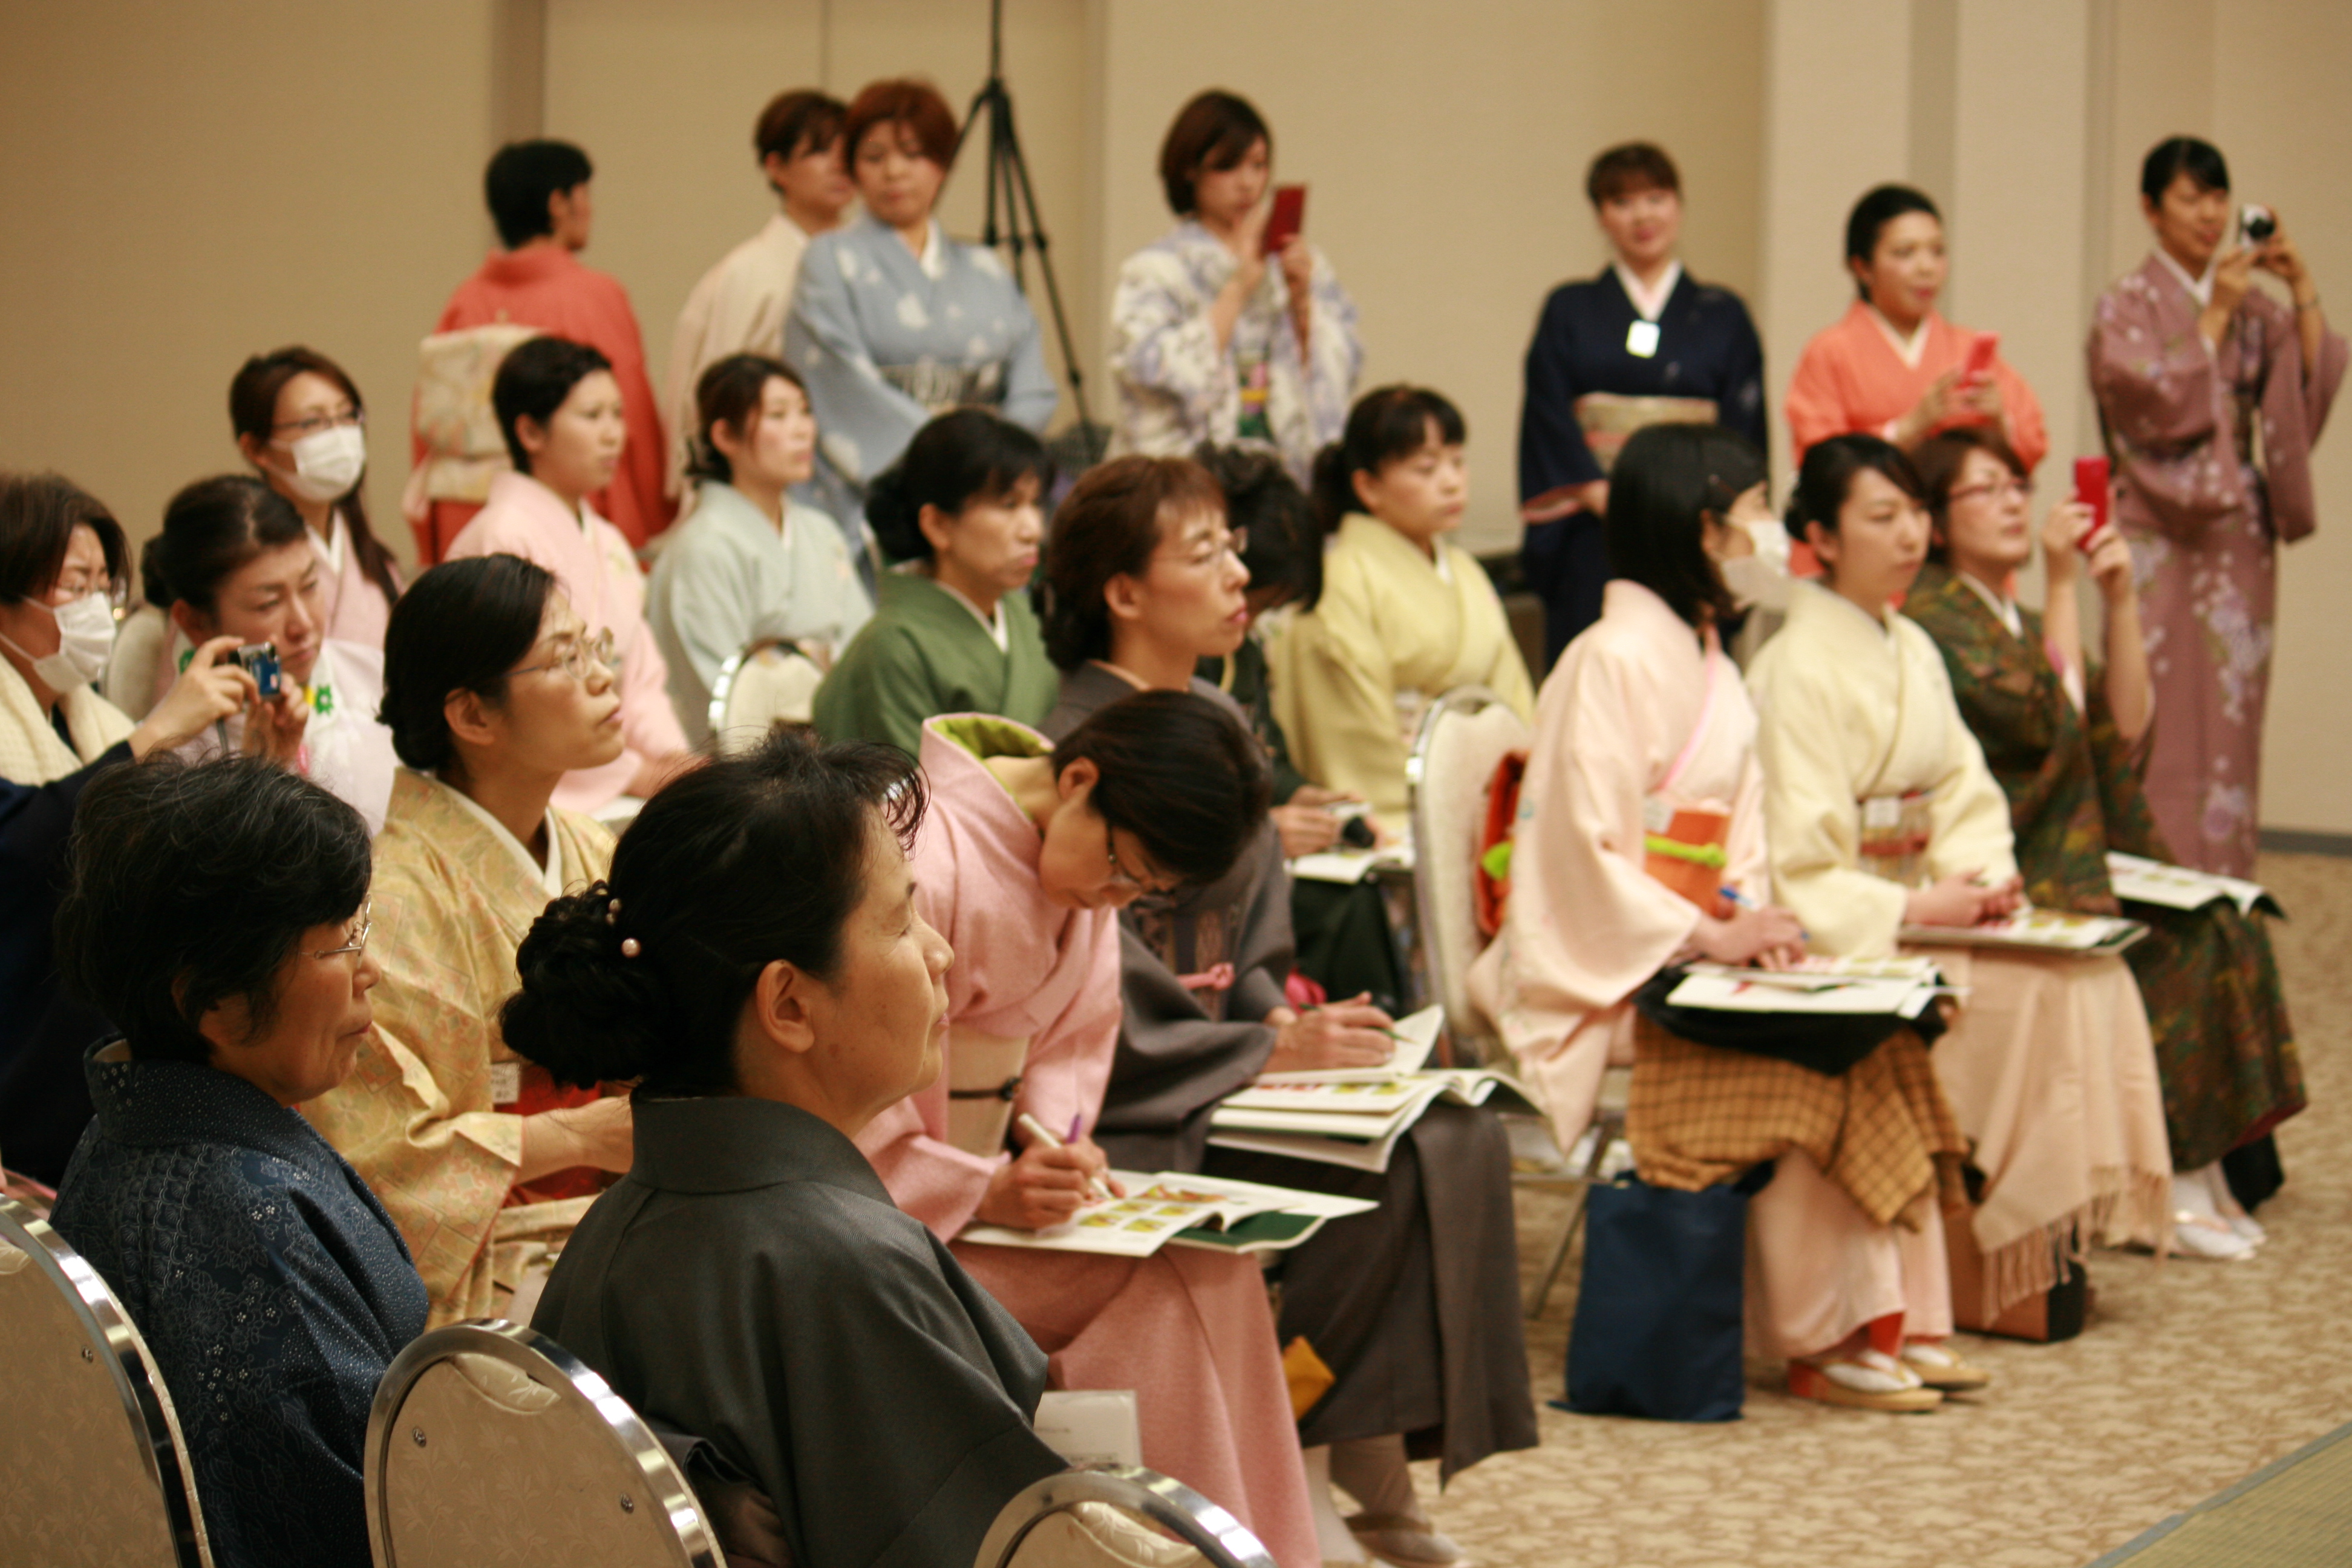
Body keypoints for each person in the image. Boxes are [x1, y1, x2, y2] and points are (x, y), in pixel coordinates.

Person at [1041, 456, 1535, 1566]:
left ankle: (1358, 1447)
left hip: (1218, 1049)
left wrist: (1287, 1029)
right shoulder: (1073, 741)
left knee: (1452, 1133)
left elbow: (1255, 944)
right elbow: (1087, 963)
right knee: (1382, 1175)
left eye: (1233, 544)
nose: (1239, 569)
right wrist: (1257, 1051)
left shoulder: (1219, 713)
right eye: (1204, 550)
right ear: (1122, 592)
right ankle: (1304, 1450)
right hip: (1135, 1088)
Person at [1472, 423, 1980, 1410]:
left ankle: (1898, 1318)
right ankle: (1821, 1335)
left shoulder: (1705, 657)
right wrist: (1704, 933)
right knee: (1808, 1063)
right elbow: (1577, 855)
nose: (1765, 532)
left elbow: (1738, 842)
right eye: (1752, 510)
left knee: (1877, 1033)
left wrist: (1750, 917)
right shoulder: (1607, 657)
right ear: (1702, 529)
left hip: (1684, 948)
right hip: (1605, 972)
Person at [514, 728, 1069, 1568]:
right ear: (790, 1005)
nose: (940, 951)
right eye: (900, 920)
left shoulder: (607, 1233)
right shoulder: (849, 1265)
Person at [857, 691, 1316, 1567]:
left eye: (1140, 890)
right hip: (896, 1212)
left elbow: (1073, 1046)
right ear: (1077, 779)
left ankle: (1272, 1553)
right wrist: (981, 1183)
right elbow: (855, 1088)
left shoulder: (1081, 876)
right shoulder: (917, 851)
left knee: (1222, 1270)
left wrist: (1060, 1144)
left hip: (985, 1190)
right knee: (1161, 1299)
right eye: (1120, 868)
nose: (1115, 897)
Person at [1746, 434, 2172, 1326]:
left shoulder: (1910, 647)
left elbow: (1963, 792)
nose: (1909, 534)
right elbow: (1802, 857)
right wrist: (1910, 906)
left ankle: (2038, 1240)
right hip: (1855, 925)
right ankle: (2000, 1242)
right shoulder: (1796, 663)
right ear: (1820, 539)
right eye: (1882, 516)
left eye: (1914, 514)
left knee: (2093, 974)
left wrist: (1978, 884)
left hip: (1925, 911)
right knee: (2041, 1000)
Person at [1906, 429, 2303, 1256]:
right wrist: (2059, 582)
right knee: (2178, 949)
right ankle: (2171, 1177)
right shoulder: (1933, 615)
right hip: (2015, 860)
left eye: (2019, 484)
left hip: (2072, 847)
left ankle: (2209, 1170)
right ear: (1937, 521)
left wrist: (2117, 599)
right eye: (1987, 490)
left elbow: (2117, 733)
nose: (2015, 501)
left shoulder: (2010, 616)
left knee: (2228, 925)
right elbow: (2049, 716)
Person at [48, 755, 427, 1568]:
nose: (374, 971)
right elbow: (371, 1522)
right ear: (212, 1003)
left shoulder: (126, 1122)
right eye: (339, 945)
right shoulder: (253, 1231)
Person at [302, 555, 635, 1325]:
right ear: (473, 715)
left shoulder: (599, 851)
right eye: (564, 658)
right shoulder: (388, 895)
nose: (599, 677)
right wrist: (574, 1134)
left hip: (621, 1221)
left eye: (595, 646)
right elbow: (378, 1145)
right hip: (492, 1276)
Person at [2087, 136, 2345, 880]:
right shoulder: (2126, 306)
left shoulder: (2256, 308)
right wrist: (2213, 321)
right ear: (2150, 209)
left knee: (2230, 721)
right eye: (2190, 197)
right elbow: (2144, 404)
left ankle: (2226, 884)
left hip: (2233, 536)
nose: (2209, 213)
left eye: (2218, 197)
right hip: (2152, 531)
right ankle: (2144, 878)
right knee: (2151, 711)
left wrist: (2299, 289)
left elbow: (2303, 398)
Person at [0, 473, 256, 1183]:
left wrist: (258, 755)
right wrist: (159, 731)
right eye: (73, 583)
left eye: (106, 586)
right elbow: (20, 849)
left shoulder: (93, 718)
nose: (96, 608)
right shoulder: (127, 731)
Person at [784, 78, 1057, 568]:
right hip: (879, 498)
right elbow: (836, 382)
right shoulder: (829, 260)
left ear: (942, 163)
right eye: (873, 156)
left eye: (913, 154)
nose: (894, 172)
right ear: (853, 169)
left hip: (984, 499)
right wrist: (958, 461)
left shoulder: (985, 268)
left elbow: (1031, 386)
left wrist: (994, 469)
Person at [1518, 142, 1768, 665]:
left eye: (1656, 198)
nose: (1642, 216)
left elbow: (1743, 427)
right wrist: (1602, 494)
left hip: (1694, 528)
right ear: (1600, 216)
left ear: (1678, 205)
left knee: (1693, 663)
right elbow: (1548, 411)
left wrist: (1706, 511)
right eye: (1622, 202)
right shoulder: (1570, 309)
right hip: (1597, 527)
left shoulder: (1723, 315)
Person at [1193, 443, 1405, 1009]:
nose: (1249, 616)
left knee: (1359, 889)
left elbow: (1268, 760)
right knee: (1343, 906)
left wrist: (1304, 795)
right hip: (1202, 874)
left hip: (1250, 850)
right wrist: (1265, 834)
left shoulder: (1245, 652)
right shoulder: (1180, 662)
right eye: (1251, 599)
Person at [443, 335, 691, 815]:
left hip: (619, 770)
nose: (614, 434)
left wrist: (671, 760)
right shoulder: (501, 538)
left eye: (618, 414)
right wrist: (637, 773)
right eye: (592, 415)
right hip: (546, 791)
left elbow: (637, 675)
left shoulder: (607, 539)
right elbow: (524, 700)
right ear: (531, 433)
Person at [1268, 385, 1535, 819]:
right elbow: (1351, 736)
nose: (1451, 482)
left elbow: (1512, 697)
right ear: (1369, 487)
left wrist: (1517, 777)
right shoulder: (1341, 579)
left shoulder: (1465, 569)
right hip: (1403, 804)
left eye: (1457, 461)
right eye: (1426, 469)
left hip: (1486, 794)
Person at [416, 139, 670, 558]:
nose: (591, 209)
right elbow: (633, 416)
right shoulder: (593, 295)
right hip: (571, 505)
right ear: (559, 203)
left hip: (466, 514)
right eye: (584, 194)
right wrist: (648, 515)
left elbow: (433, 430)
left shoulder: (464, 300)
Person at [1108, 90, 1361, 484]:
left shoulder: (1298, 261)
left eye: (1259, 166)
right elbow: (1148, 373)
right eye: (1228, 167)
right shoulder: (1157, 269)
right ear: (1190, 170)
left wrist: (1302, 303)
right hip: (1188, 478)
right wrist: (1238, 287)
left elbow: (1342, 369)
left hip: (1283, 474)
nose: (1248, 183)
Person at [147, 475, 400, 834]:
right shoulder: (173, 751)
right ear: (195, 622)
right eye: (268, 604)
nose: (303, 623)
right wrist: (258, 781)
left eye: (311, 586)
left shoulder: (376, 676)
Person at [648, 354, 871, 745]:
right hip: (748, 765)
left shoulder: (822, 532)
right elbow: (730, 693)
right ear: (725, 437)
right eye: (778, 415)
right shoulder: (704, 547)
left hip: (835, 749)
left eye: (804, 412)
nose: (802, 430)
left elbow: (862, 656)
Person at [811, 408, 1058, 756]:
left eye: (1036, 504)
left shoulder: (1023, 613)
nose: (1033, 530)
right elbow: (914, 795)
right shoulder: (894, 643)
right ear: (938, 525)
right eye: (1009, 504)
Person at [664, 90, 854, 508]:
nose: (841, 164)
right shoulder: (749, 271)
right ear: (776, 166)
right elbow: (714, 394)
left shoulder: (863, 263)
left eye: (848, 149)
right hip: (766, 482)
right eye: (820, 151)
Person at [1785, 185, 2048, 475]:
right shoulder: (1829, 352)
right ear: (1862, 268)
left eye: (1937, 251)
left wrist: (2000, 422)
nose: (1927, 268)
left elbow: (2032, 442)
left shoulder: (1967, 348)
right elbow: (1820, 464)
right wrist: (1909, 427)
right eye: (1905, 253)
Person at [231, 346, 402, 650]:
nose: (338, 435)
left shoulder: (373, 559)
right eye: (313, 422)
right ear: (256, 449)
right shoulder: (238, 558)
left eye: (348, 415)